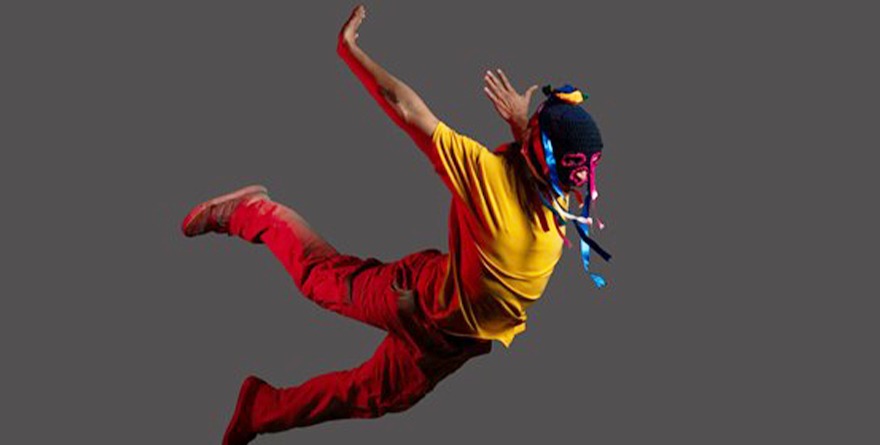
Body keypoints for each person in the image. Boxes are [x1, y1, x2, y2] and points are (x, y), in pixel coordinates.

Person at [180, 5, 610, 445]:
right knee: (319, 280)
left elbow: (542, 167)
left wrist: (522, 123)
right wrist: (349, 51)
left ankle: (260, 408)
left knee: (372, 397)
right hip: (415, 299)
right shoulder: (489, 179)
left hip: (451, 341)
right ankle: (250, 211)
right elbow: (405, 107)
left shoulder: (556, 196)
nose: (581, 188)